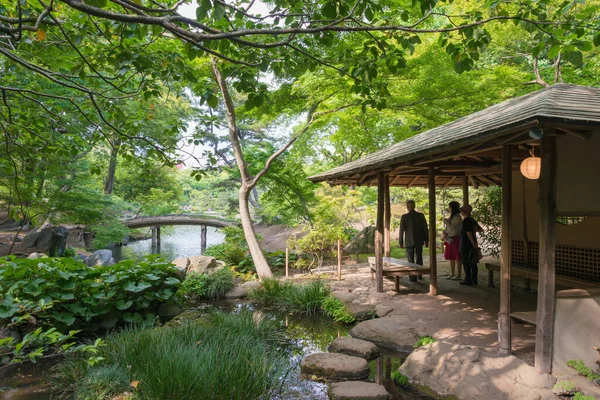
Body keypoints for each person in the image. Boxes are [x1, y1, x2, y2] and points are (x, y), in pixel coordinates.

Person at [399, 200, 429, 282]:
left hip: (409, 240)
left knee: (410, 259)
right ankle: (420, 274)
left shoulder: (404, 217)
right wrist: (426, 240)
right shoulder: (421, 216)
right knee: (419, 257)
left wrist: (400, 242)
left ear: (408, 207)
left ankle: (412, 277)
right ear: (414, 206)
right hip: (419, 240)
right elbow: (425, 228)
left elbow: (401, 230)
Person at [459, 204, 481, 286]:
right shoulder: (472, 220)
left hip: (466, 244)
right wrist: (474, 231)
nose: (461, 213)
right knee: (473, 261)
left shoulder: (465, 221)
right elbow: (480, 229)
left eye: (461, 211)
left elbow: (468, 233)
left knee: (466, 262)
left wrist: (473, 242)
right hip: (472, 244)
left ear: (464, 212)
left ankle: (468, 279)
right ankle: (474, 279)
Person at [443, 201, 462, 280]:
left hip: (456, 238)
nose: (449, 209)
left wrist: (447, 222)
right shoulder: (452, 216)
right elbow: (449, 229)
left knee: (458, 257)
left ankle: (458, 274)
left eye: (450, 207)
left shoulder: (457, 217)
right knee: (451, 257)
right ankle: (452, 273)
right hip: (450, 238)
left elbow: (452, 228)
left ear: (453, 208)